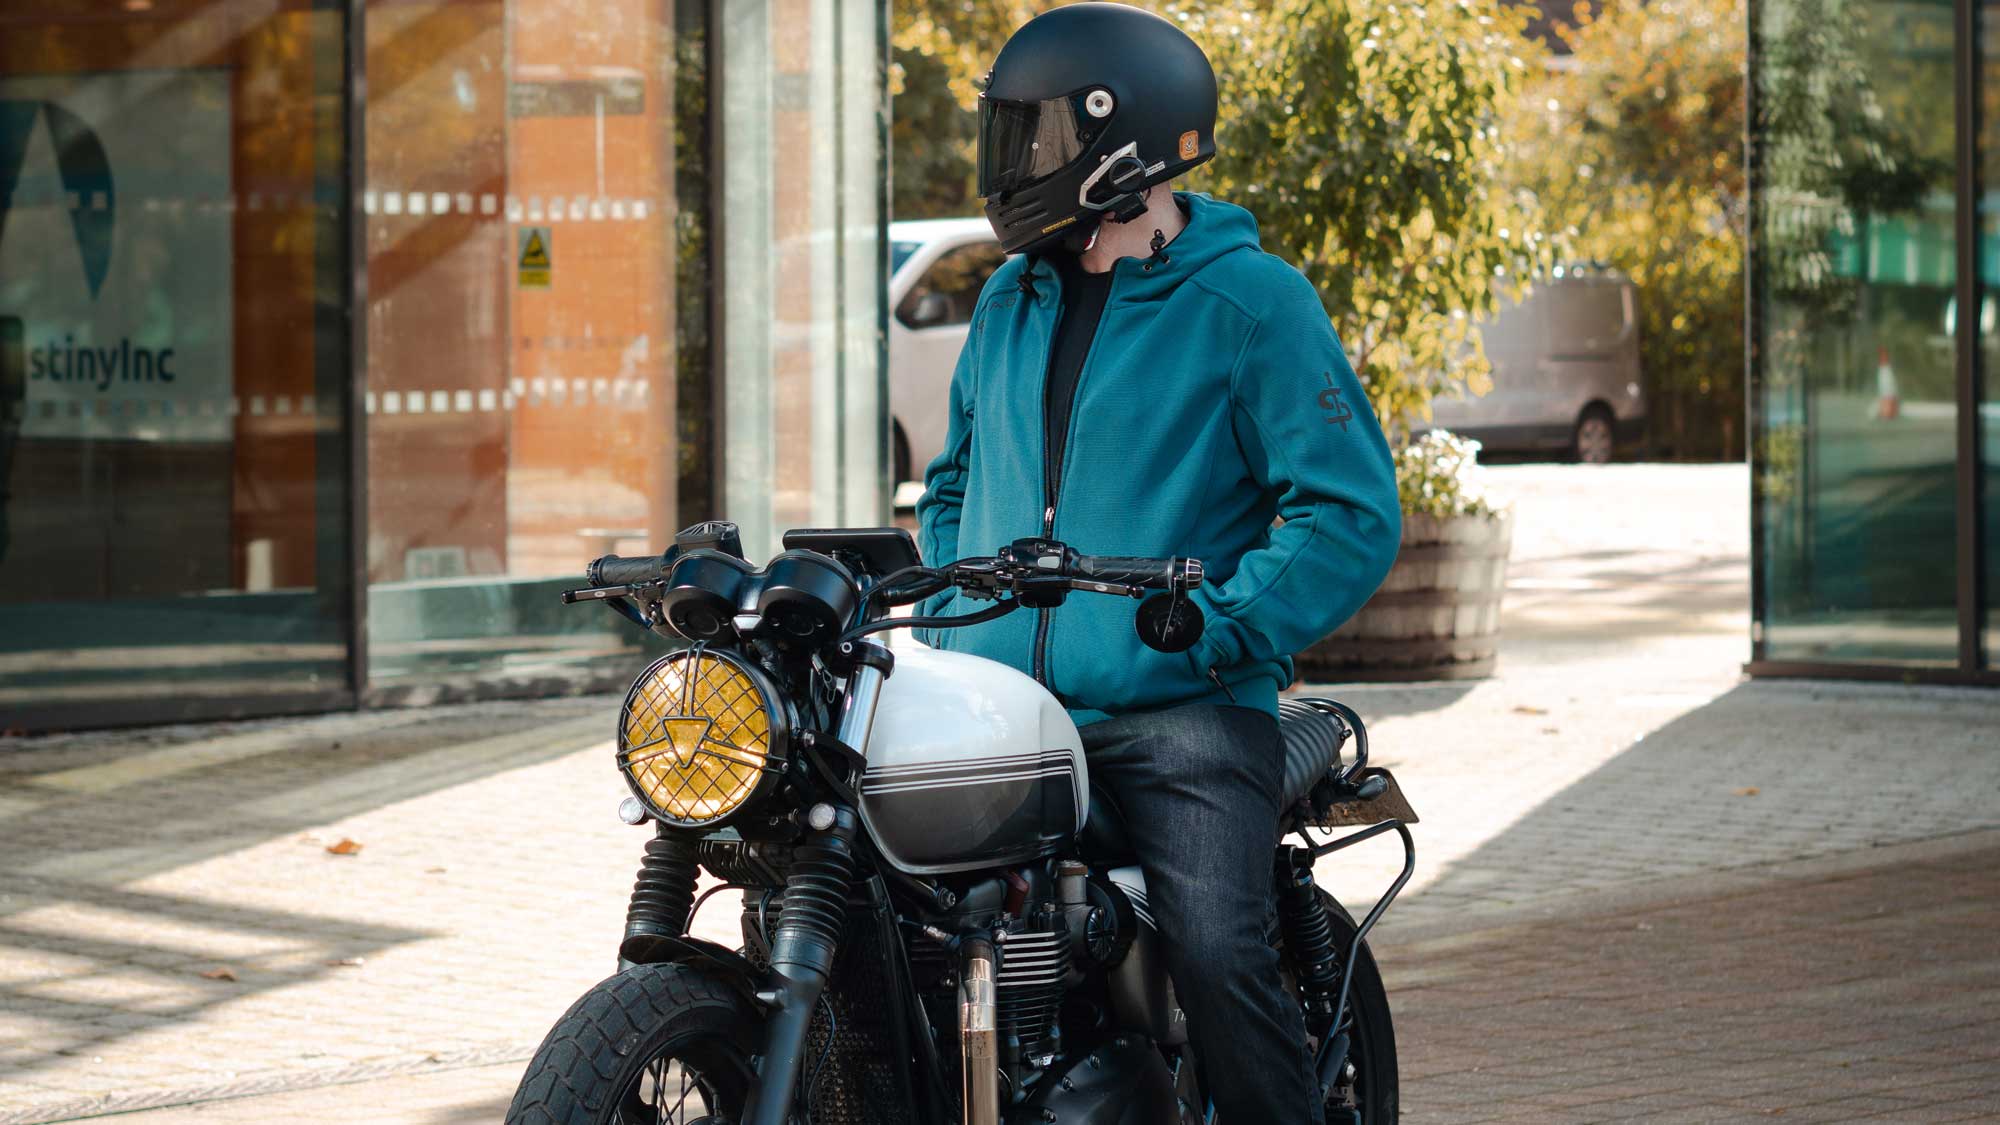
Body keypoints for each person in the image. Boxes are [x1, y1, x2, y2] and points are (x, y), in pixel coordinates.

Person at [912, 4, 1402, 1121]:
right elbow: (951, 484)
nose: (1008, 163)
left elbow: (1346, 512)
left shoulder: (1249, 302)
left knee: (1219, 950)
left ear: (1115, 144)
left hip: (1178, 708)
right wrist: (949, 613)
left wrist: (1213, 625)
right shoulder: (1009, 298)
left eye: (1027, 137)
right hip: (1000, 706)